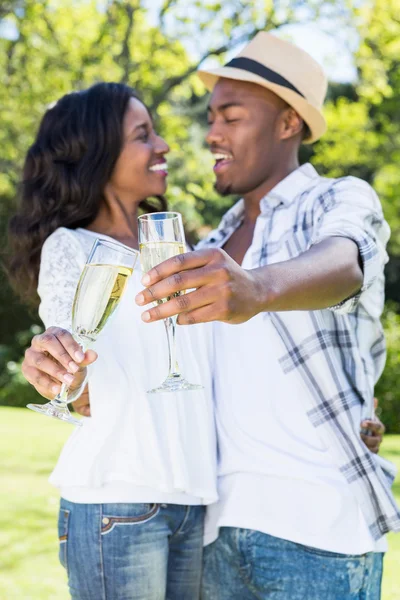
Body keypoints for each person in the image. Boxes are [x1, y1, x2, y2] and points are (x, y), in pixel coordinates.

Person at [134, 33, 400, 598]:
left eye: (231, 116)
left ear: (288, 124)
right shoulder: (214, 240)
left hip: (319, 534)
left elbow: (345, 262)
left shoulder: (336, 199)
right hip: (215, 533)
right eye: (211, 118)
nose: (212, 134)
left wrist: (259, 287)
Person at [8, 82, 217, 600]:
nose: (164, 145)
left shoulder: (172, 246)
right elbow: (71, 362)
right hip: (118, 502)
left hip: (193, 497)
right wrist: (64, 371)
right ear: (97, 153)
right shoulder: (70, 247)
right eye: (143, 135)